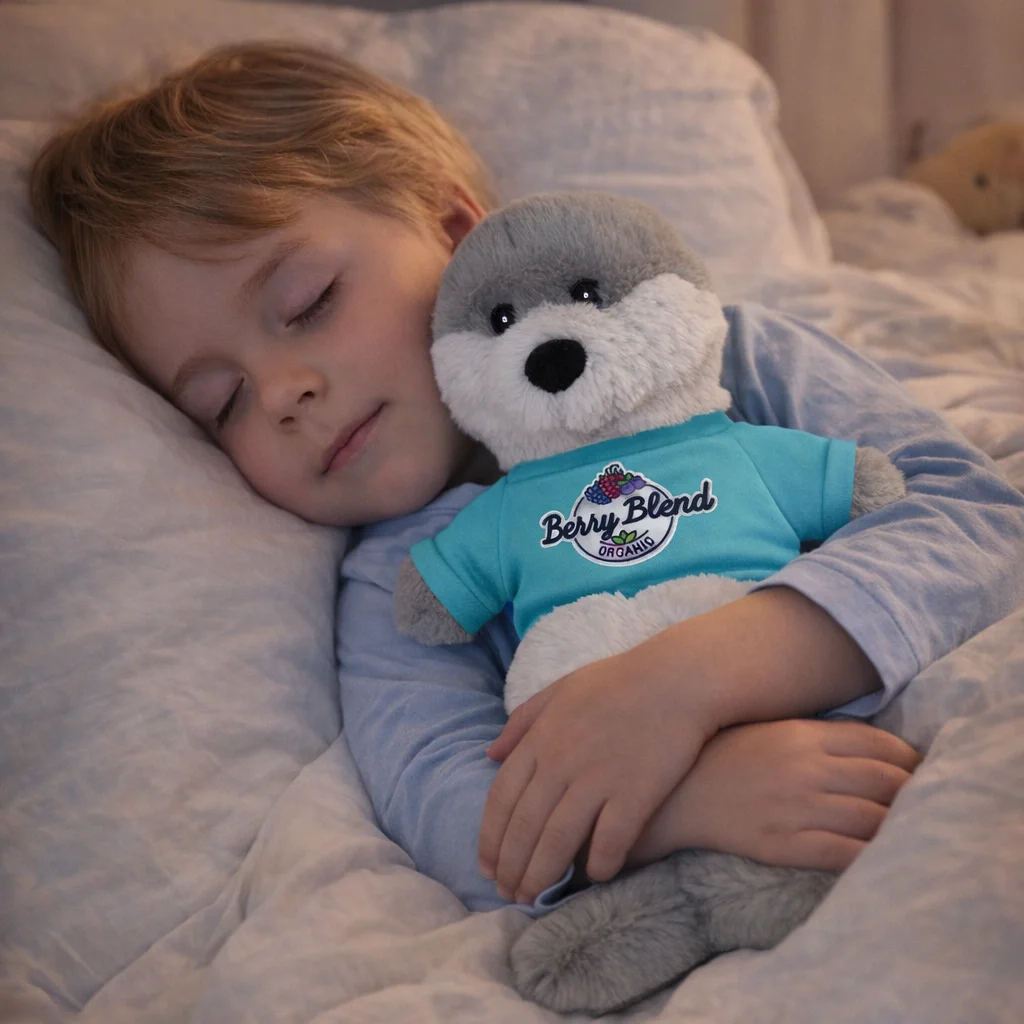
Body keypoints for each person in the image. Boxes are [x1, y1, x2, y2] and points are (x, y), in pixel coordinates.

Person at [29, 42, 1024, 914]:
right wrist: (681, 801)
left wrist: (690, 677)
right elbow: (436, 790)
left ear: (455, 230)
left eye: (307, 301)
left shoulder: (722, 358)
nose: (284, 392)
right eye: (223, 402)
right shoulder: (407, 584)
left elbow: (972, 518)